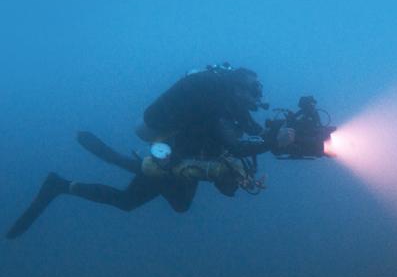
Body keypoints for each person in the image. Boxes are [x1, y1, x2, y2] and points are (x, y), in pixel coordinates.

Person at [6, 63, 293, 239]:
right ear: (235, 89)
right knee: (128, 201)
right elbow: (236, 145)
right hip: (174, 157)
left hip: (184, 160)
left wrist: (276, 133)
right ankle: (64, 183)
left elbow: (252, 131)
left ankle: (127, 163)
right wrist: (272, 142)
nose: (252, 98)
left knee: (179, 206)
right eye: (248, 92)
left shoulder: (233, 109)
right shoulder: (217, 109)